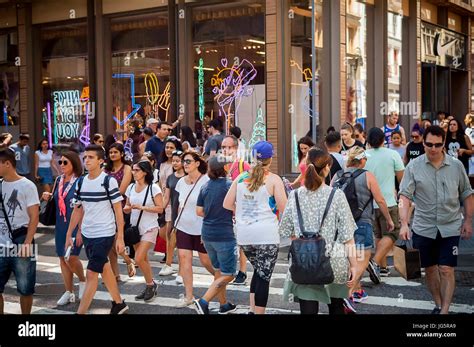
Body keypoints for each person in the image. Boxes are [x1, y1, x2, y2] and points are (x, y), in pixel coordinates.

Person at [399, 125, 473, 314]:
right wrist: (405, 224)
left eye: (438, 145)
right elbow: (405, 197)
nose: (433, 149)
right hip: (424, 227)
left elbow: (467, 193)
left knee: (446, 269)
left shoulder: (456, 166)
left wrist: (468, 221)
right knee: (430, 269)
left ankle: (445, 311)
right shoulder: (413, 167)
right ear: (423, 143)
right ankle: (438, 303)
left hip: (450, 226)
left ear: (443, 144)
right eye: (429, 144)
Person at [278, 148, 357, 315]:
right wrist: (355, 266)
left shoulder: (295, 196)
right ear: (327, 168)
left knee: (308, 309)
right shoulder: (337, 195)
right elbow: (347, 236)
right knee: (336, 308)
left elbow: (285, 229)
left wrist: (302, 241)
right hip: (334, 260)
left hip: (305, 260)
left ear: (306, 167)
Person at [223, 141, 288, 314]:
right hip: (267, 235)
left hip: (245, 236)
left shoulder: (241, 177)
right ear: (271, 158)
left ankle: (253, 309)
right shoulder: (274, 180)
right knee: (263, 277)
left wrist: (242, 212)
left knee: (258, 273)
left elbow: (227, 204)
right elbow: (284, 209)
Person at [65, 145, 128, 314]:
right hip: (87, 233)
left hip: (105, 234)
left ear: (101, 161)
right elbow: (78, 209)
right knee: (104, 267)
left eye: (91, 157)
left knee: (92, 274)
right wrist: (69, 234)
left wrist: (120, 237)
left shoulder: (109, 181)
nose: (86, 160)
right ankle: (119, 303)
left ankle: (80, 312)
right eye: (85, 157)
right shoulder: (81, 182)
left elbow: (118, 210)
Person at [331, 146, 394, 311]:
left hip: (340, 225)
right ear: (362, 160)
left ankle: (356, 292)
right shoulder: (367, 176)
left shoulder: (337, 176)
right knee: (362, 259)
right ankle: (346, 293)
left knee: (348, 260)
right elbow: (380, 200)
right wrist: (389, 219)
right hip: (361, 223)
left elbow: (330, 199)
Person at [193, 155, 238, 314]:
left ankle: (224, 304)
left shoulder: (205, 186)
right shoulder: (229, 185)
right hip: (224, 234)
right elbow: (236, 208)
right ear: (225, 168)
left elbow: (199, 211)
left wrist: (212, 213)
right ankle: (203, 301)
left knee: (219, 271)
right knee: (230, 274)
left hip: (207, 233)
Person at [41, 151, 86, 306]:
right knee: (62, 257)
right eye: (60, 162)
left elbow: (83, 207)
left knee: (71, 257)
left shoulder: (81, 181)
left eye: (65, 162)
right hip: (60, 224)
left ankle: (83, 280)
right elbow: (56, 198)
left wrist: (80, 230)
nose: (61, 165)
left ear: (74, 163)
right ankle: (69, 291)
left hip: (75, 225)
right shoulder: (59, 179)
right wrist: (48, 195)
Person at [0, 148, 39, 314]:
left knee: (25, 288)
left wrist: (28, 242)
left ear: (7, 164)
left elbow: (34, 216)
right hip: (0, 245)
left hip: (21, 242)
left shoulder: (27, 185)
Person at [364, 128, 404, 282]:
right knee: (393, 233)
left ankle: (382, 268)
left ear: (368, 140)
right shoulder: (392, 154)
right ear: (383, 140)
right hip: (388, 201)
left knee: (378, 235)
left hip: (369, 203)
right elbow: (402, 179)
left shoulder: (364, 156)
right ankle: (375, 262)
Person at [174, 151, 213, 308]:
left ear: (198, 163)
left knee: (205, 261)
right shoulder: (180, 182)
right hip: (183, 226)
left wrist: (208, 229)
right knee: (184, 260)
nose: (185, 164)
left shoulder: (207, 181)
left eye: (188, 161)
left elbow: (210, 207)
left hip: (201, 227)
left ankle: (221, 277)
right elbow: (179, 205)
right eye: (184, 161)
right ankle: (189, 296)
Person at [124, 160, 164, 302]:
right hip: (135, 228)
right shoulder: (130, 187)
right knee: (144, 259)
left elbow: (160, 208)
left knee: (139, 258)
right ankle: (150, 285)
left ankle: (150, 285)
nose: (133, 172)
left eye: (136, 170)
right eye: (133, 170)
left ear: (145, 172)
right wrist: (127, 208)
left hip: (150, 226)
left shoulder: (154, 188)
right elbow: (127, 205)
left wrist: (142, 207)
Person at [221, 135, 251, 284]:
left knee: (241, 241)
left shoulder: (242, 165)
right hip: (222, 210)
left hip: (239, 209)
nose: (226, 150)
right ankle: (227, 269)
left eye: (229, 147)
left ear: (236, 148)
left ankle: (243, 270)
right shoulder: (218, 165)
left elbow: (253, 185)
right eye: (223, 147)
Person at [104, 143, 135, 280]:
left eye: (115, 152)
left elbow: (121, 190)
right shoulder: (106, 169)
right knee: (110, 244)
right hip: (106, 208)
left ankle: (129, 261)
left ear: (122, 154)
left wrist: (106, 194)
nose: (112, 155)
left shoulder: (127, 168)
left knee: (117, 239)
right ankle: (116, 275)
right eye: (110, 152)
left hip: (120, 208)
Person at [160, 150, 185, 276]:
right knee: (170, 238)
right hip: (174, 211)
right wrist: (160, 209)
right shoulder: (170, 177)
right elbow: (166, 197)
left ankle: (181, 269)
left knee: (181, 242)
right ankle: (168, 265)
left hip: (185, 213)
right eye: (173, 161)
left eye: (178, 161)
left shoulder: (188, 177)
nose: (175, 163)